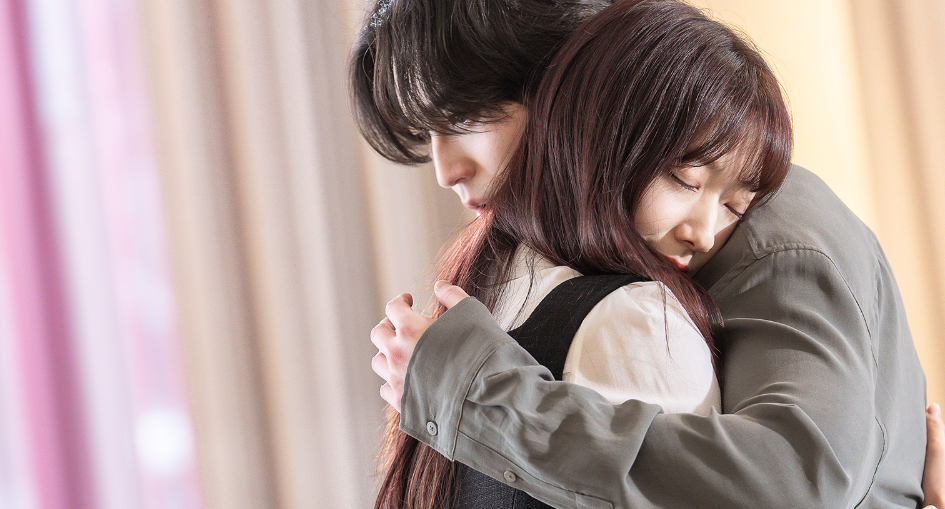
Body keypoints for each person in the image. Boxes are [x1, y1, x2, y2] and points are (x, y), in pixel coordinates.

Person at [352, 0, 932, 507]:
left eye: (467, 116)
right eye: (427, 130)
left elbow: (800, 481)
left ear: (576, 78)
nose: (445, 170)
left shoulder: (766, 239)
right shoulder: (557, 267)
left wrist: (480, 396)